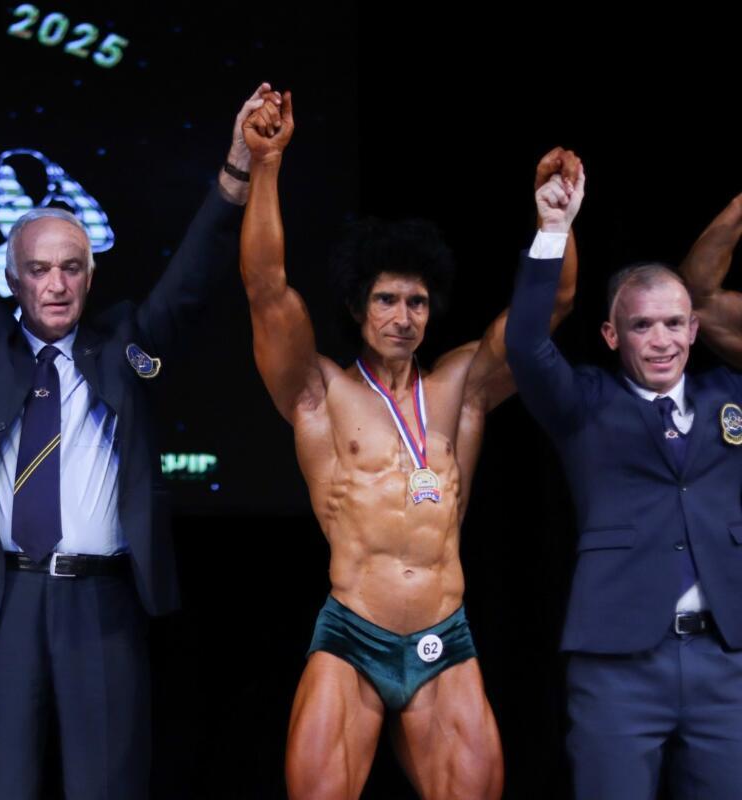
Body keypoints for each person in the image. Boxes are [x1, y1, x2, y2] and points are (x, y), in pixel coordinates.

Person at [0, 78, 267, 797]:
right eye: (38, 270)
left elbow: (193, 275)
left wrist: (238, 166)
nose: (55, 284)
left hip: (103, 605)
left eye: (70, 268)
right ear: (12, 278)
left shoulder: (127, 343)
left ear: (90, 275)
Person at [239, 92, 581, 799]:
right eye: (387, 300)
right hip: (353, 636)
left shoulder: (462, 388)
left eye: (417, 302)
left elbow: (551, 309)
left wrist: (555, 222)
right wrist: (266, 164)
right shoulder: (319, 393)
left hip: (443, 636)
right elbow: (266, 287)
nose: (403, 317)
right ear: (359, 308)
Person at [507, 182, 742, 799]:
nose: (661, 340)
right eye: (642, 325)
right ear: (613, 335)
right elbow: (524, 345)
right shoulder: (584, 403)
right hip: (618, 665)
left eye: (673, 324)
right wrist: (553, 229)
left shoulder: (729, 394)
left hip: (726, 661)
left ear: (695, 329)